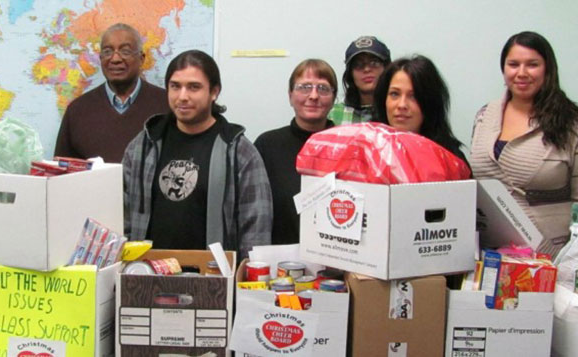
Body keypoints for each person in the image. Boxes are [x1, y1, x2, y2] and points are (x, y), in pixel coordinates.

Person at [122, 50, 271, 256]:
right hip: (149, 276)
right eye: (175, 86)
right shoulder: (143, 145)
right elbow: (122, 217)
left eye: (194, 87)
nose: (183, 97)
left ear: (214, 92)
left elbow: (256, 231)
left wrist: (245, 280)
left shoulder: (238, 151)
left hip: (213, 280)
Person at [469, 31, 578, 257]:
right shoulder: (484, 115)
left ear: (547, 69)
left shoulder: (573, 123)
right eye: (513, 64)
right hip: (490, 250)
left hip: (548, 253)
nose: (521, 73)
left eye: (532, 65)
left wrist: (575, 255)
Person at [54, 23, 169, 163]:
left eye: (125, 51)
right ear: (100, 58)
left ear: (141, 59)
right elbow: (62, 171)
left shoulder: (165, 105)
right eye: (107, 51)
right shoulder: (77, 110)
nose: (115, 59)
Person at [255, 59, 337, 245]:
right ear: (290, 95)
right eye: (304, 87)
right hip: (278, 261)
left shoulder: (347, 147)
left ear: (333, 98)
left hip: (336, 260)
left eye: (323, 89)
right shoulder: (267, 145)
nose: (314, 96)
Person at [372, 54, 468, 164]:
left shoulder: (451, 159)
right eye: (394, 94)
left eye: (413, 96)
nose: (402, 105)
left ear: (430, 102)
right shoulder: (368, 151)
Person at [328, 36, 390, 126]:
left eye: (374, 63)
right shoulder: (333, 114)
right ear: (350, 74)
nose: (367, 69)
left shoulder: (397, 111)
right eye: (358, 65)